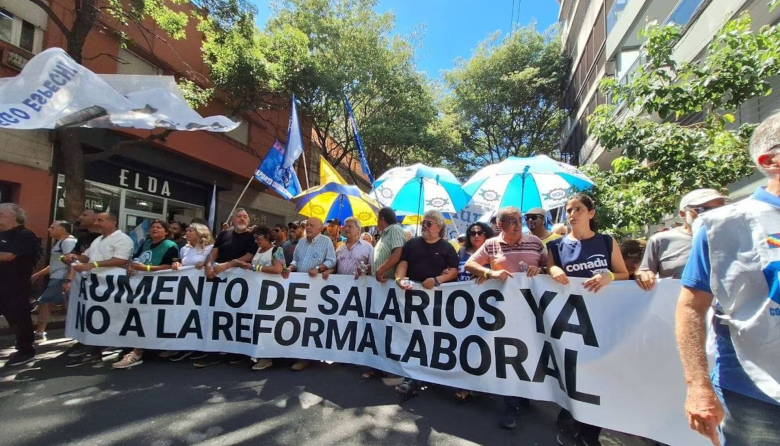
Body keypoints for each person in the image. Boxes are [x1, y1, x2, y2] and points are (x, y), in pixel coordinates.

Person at [676, 114, 780, 446]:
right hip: (756, 399)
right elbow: (691, 307)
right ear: (770, 161)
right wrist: (698, 387)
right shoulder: (722, 226)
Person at [547, 194, 629, 446]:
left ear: (591, 213)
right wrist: (553, 269)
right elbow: (549, 271)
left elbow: (624, 273)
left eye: (579, 209)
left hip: (604, 320)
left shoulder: (606, 241)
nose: (572, 214)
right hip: (571, 323)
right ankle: (570, 416)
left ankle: (589, 434)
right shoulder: (555, 247)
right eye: (569, 210)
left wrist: (609, 277)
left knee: (598, 375)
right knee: (573, 373)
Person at [465, 206, 547, 428]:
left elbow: (550, 267)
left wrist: (540, 271)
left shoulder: (535, 243)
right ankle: (512, 406)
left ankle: (524, 395)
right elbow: (470, 264)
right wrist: (489, 273)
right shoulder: (491, 245)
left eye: (519, 219)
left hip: (532, 311)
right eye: (511, 220)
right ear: (500, 225)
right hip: (501, 313)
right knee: (508, 355)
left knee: (529, 353)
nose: (518, 224)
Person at [393, 210, 459, 395]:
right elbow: (403, 264)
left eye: (429, 223)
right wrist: (399, 279)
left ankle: (434, 375)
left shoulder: (447, 247)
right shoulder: (412, 243)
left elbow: (453, 271)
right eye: (423, 223)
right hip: (412, 298)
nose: (424, 226)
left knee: (433, 337)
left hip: (436, 301)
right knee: (413, 336)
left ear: (439, 227)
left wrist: (436, 280)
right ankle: (412, 377)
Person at [62, 212, 134, 367]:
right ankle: (93, 352)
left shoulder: (123, 239)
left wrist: (92, 265)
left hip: (113, 287)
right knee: (95, 318)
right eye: (95, 220)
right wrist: (72, 258)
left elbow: (120, 260)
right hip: (95, 286)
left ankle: (126, 350)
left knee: (116, 318)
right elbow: (86, 257)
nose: (96, 223)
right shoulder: (98, 240)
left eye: (100, 220)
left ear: (113, 222)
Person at [112, 220, 179, 369]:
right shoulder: (146, 243)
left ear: (166, 232)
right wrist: (130, 266)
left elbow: (172, 266)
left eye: (158, 227)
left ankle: (136, 353)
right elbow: (136, 259)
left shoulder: (170, 246)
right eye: (152, 227)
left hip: (157, 288)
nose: (154, 229)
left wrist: (147, 268)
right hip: (140, 287)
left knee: (145, 318)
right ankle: (135, 348)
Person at [195, 208, 256, 368]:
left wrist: (228, 264)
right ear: (232, 220)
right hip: (218, 281)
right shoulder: (223, 235)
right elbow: (215, 251)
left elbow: (250, 255)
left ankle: (236, 352)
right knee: (215, 315)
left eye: (245, 217)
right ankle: (213, 352)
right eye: (239, 216)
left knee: (236, 316)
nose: (242, 219)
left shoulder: (252, 237)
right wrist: (208, 264)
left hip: (240, 284)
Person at [635, 189, 727, 291]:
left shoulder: (734, 236)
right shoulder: (660, 240)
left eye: (720, 208)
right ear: (683, 214)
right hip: (677, 303)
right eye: (703, 209)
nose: (712, 214)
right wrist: (643, 275)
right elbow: (644, 271)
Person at [282, 217, 336, 371]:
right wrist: (290, 268)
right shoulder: (301, 242)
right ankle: (294, 351)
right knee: (297, 318)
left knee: (310, 320)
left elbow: (332, 260)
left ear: (320, 228)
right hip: (299, 287)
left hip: (316, 288)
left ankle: (306, 357)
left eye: (312, 225)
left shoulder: (326, 241)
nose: (308, 228)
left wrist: (319, 268)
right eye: (307, 225)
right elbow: (295, 261)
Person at [164, 222, 215, 362]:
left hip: (204, 290)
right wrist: (177, 264)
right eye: (186, 230)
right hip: (187, 291)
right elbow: (181, 263)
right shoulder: (184, 249)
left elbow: (213, 265)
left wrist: (205, 264)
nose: (186, 233)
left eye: (190, 230)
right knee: (185, 316)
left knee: (201, 317)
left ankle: (201, 348)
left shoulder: (210, 248)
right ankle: (184, 346)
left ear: (199, 233)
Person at [0, 204, 42, 366]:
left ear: (15, 216)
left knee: (18, 317)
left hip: (15, 285)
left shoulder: (24, 234)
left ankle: (26, 349)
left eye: (2, 213)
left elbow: (9, 255)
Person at [240, 226, 286, 371]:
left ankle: (267, 357)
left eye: (258, 238)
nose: (256, 241)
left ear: (267, 236)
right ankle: (257, 353)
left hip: (271, 294)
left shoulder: (276, 250)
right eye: (255, 238)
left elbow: (278, 269)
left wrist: (255, 268)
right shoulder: (258, 251)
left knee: (267, 325)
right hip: (256, 293)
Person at [31, 221, 76, 341]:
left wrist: (68, 280)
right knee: (67, 305)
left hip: (61, 278)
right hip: (58, 276)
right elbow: (55, 265)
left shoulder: (68, 242)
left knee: (45, 302)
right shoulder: (61, 243)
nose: (49, 230)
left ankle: (39, 333)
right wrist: (37, 275)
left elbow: (73, 262)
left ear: (63, 229)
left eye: (52, 227)